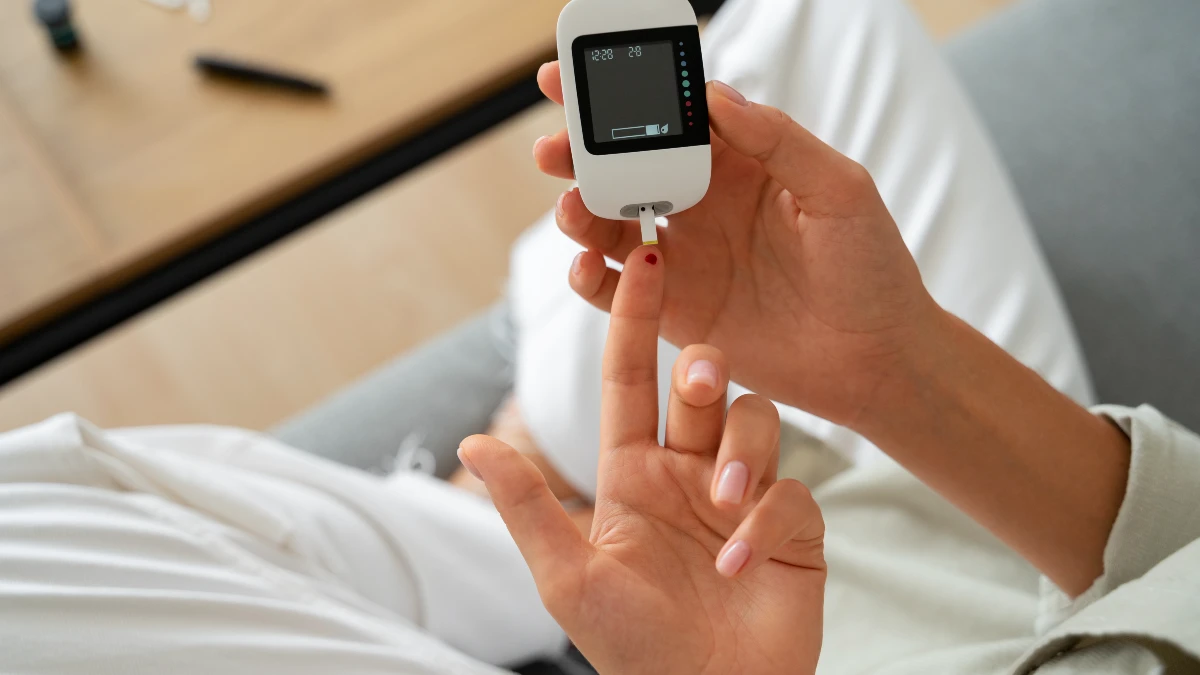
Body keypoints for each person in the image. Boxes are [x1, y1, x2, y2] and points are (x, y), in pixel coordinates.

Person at [2, 1, 1198, 674]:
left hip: (779, 651)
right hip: (983, 536)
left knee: (30, 517)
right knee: (826, 19)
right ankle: (536, 462)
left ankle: (503, 528)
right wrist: (894, 368)